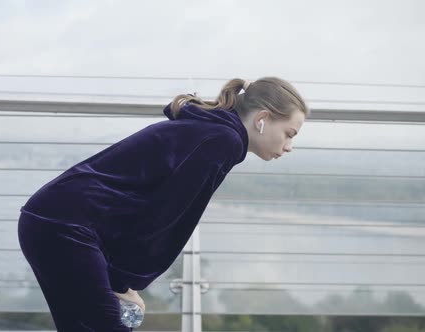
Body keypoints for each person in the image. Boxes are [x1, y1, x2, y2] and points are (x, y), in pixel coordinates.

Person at [17, 76, 309, 331]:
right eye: (289, 134)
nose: (289, 146)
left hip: (54, 219)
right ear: (262, 119)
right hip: (67, 228)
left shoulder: (214, 132)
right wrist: (120, 283)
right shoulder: (223, 141)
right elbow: (167, 217)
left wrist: (120, 279)